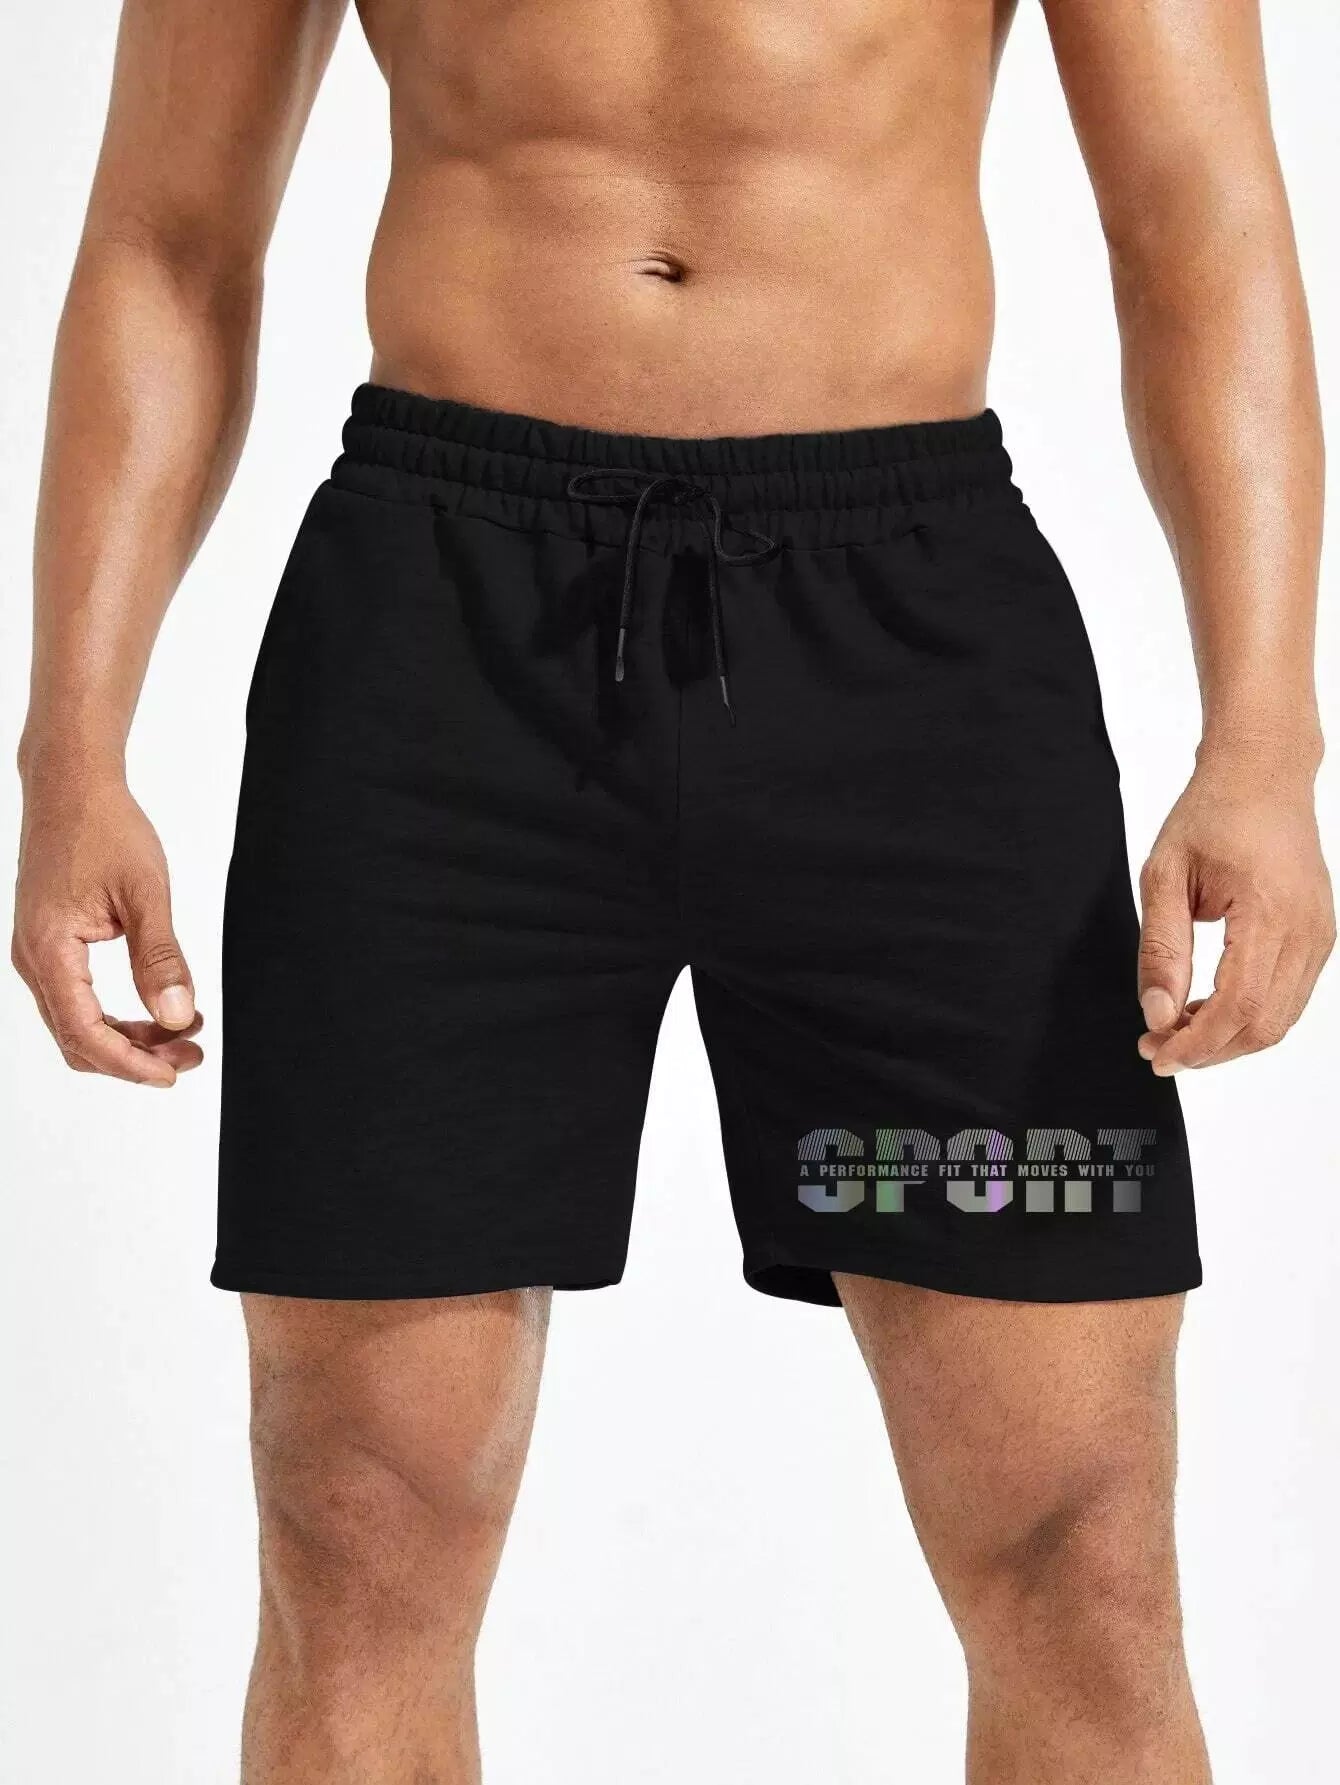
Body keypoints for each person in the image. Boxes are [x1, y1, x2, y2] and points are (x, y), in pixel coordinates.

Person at [11, 0, 1333, 1778]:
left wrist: (1264, 736)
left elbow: (1198, 227)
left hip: (916, 711)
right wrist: (72, 747)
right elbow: (169, 241)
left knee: (1073, 1548)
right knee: (362, 1528)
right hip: (443, 684)